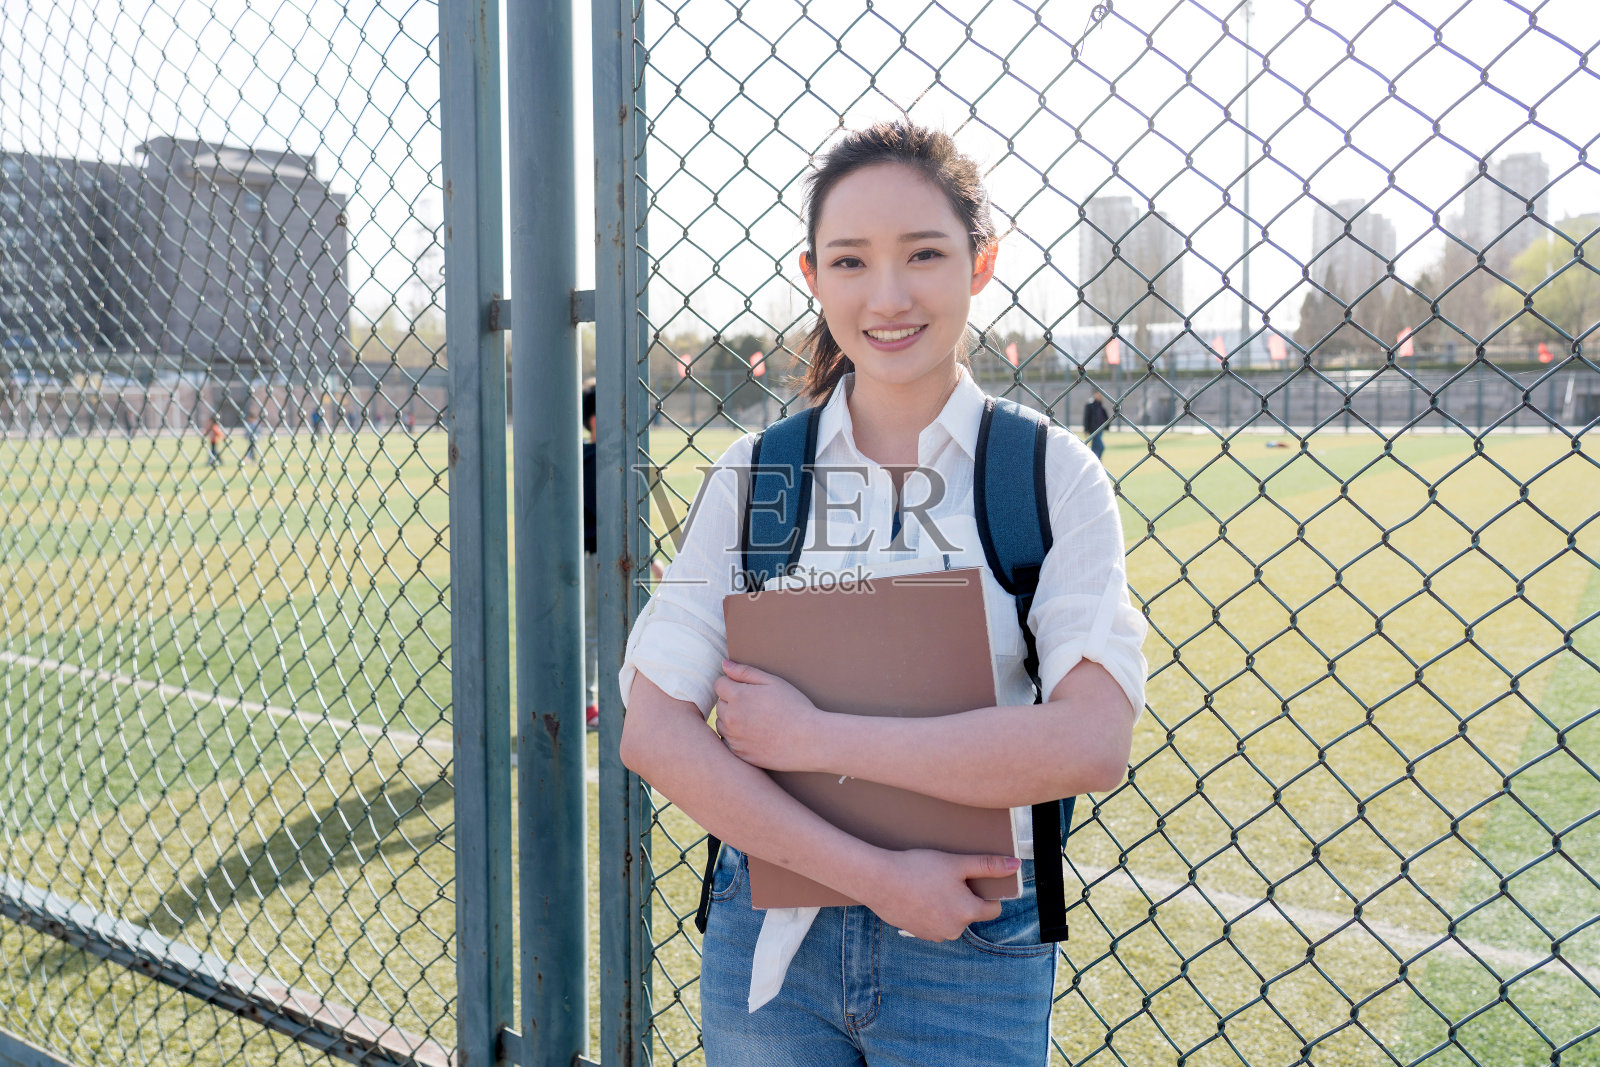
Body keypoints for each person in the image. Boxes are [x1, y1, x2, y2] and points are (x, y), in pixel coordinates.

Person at [617, 121, 1146, 1064]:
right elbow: (653, 729)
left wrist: (815, 737)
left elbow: (1091, 740)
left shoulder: (1045, 476)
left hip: (973, 937)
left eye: (925, 255)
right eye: (851, 261)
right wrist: (872, 874)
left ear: (981, 264)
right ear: (813, 278)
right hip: (770, 933)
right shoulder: (753, 477)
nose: (888, 295)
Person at [582, 380, 600, 731]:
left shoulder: (583, 453)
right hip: (595, 556)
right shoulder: (594, 458)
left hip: (592, 556)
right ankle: (586, 704)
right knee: (594, 633)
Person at [1083, 389, 1109, 462]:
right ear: (1094, 394)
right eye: (1099, 394)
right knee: (1100, 447)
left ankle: (1095, 462)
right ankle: (1096, 462)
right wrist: (1086, 430)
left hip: (1100, 429)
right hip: (1094, 429)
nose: (1101, 396)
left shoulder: (1100, 404)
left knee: (1095, 448)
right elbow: (1086, 417)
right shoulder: (1090, 404)